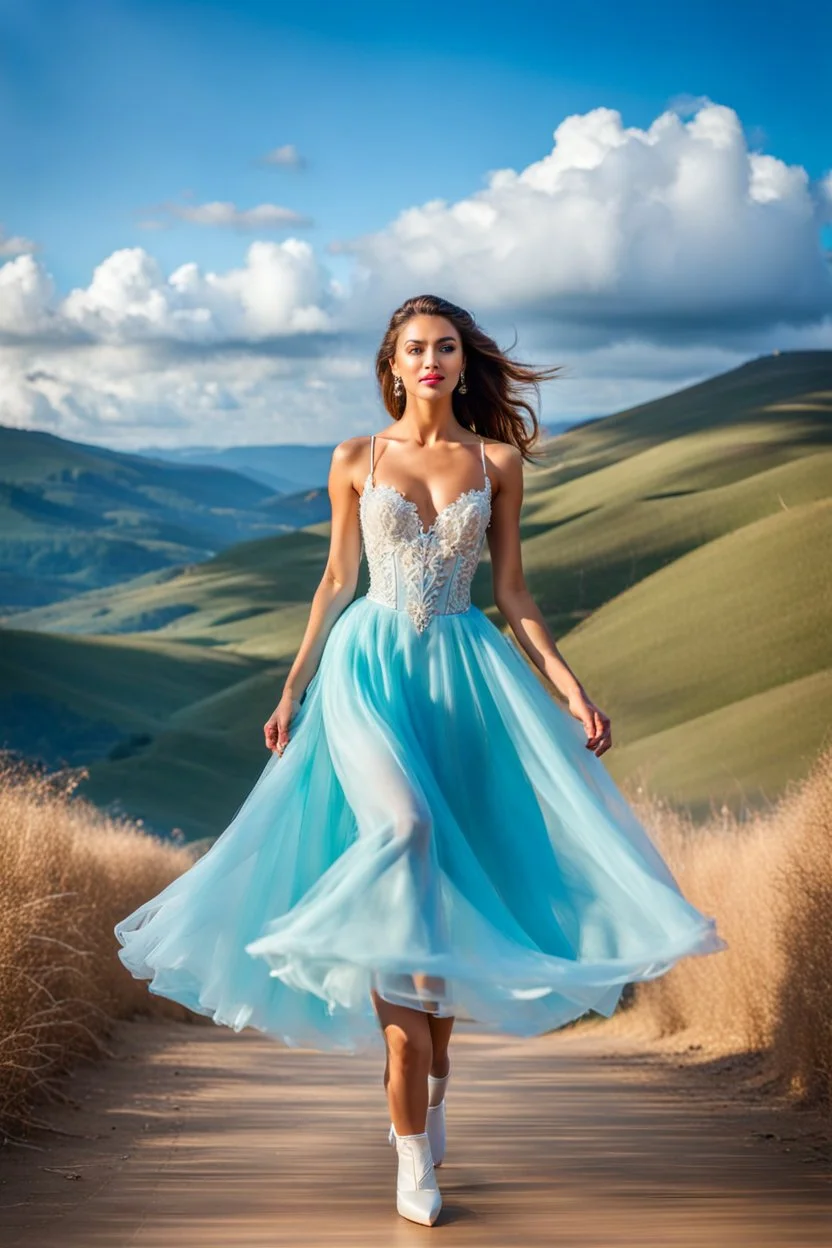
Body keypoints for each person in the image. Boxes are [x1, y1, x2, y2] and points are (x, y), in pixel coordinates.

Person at [115, 293, 726, 1228]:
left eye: (446, 347)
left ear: (462, 362)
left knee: (437, 893)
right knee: (405, 826)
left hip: (463, 679)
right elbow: (334, 580)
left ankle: (432, 1079)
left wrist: (569, 687)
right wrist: (290, 692)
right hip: (366, 674)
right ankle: (403, 1138)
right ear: (391, 364)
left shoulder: (498, 461)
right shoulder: (356, 458)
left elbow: (514, 590)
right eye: (415, 349)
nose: (432, 361)